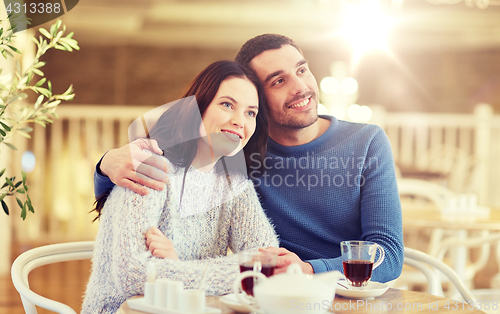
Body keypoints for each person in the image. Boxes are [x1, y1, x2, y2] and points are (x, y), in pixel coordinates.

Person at [94, 34, 404, 282]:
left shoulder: (368, 142)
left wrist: (310, 269)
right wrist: (106, 166)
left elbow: (388, 253)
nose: (301, 88)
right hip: (268, 296)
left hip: (341, 294)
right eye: (278, 81)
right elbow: (135, 200)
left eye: (301, 69)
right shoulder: (238, 155)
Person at [82, 60, 279, 313]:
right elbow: (132, 275)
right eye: (227, 104)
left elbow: (268, 261)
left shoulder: (234, 183)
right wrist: (230, 270)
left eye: (250, 112)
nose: (239, 121)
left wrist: (177, 265)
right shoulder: (150, 166)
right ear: (198, 108)